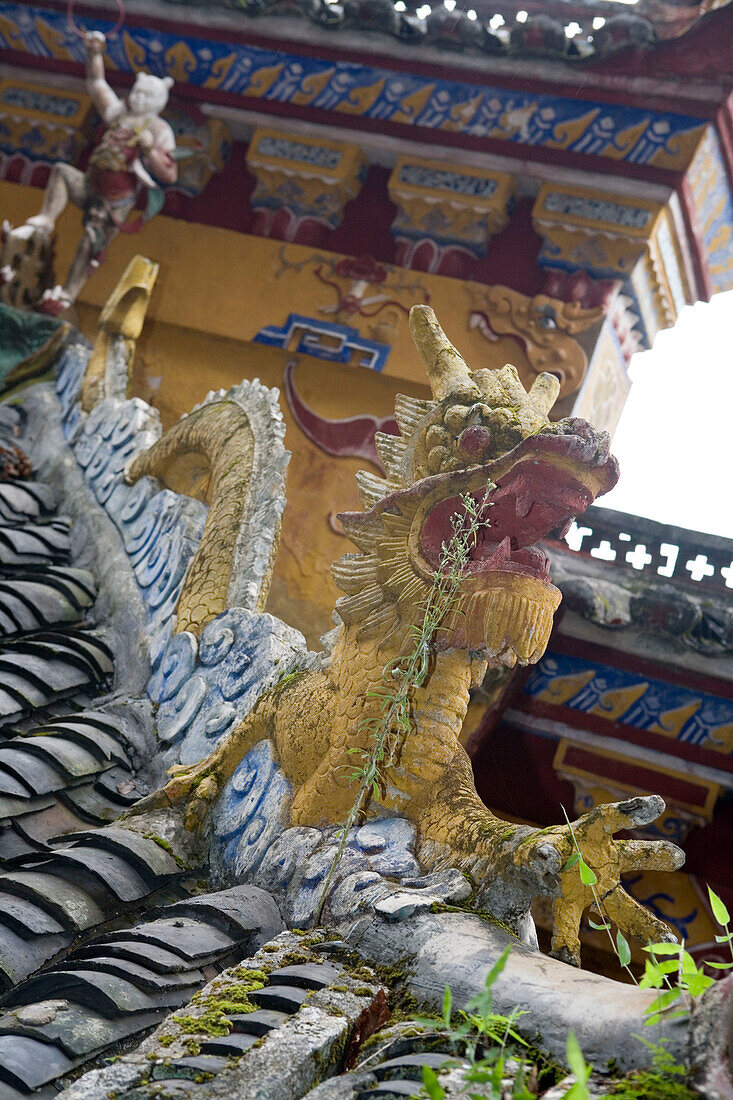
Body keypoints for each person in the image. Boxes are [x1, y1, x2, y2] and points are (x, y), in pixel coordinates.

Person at [15, 31, 177, 312]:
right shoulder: (118, 114)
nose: (139, 98)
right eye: (137, 92)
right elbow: (96, 82)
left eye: (147, 95)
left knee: (89, 246)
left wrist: (150, 150)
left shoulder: (160, 130)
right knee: (62, 172)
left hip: (116, 201)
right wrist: (94, 53)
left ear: (159, 101)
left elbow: (169, 175)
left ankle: (68, 294)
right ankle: (47, 217)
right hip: (89, 184)